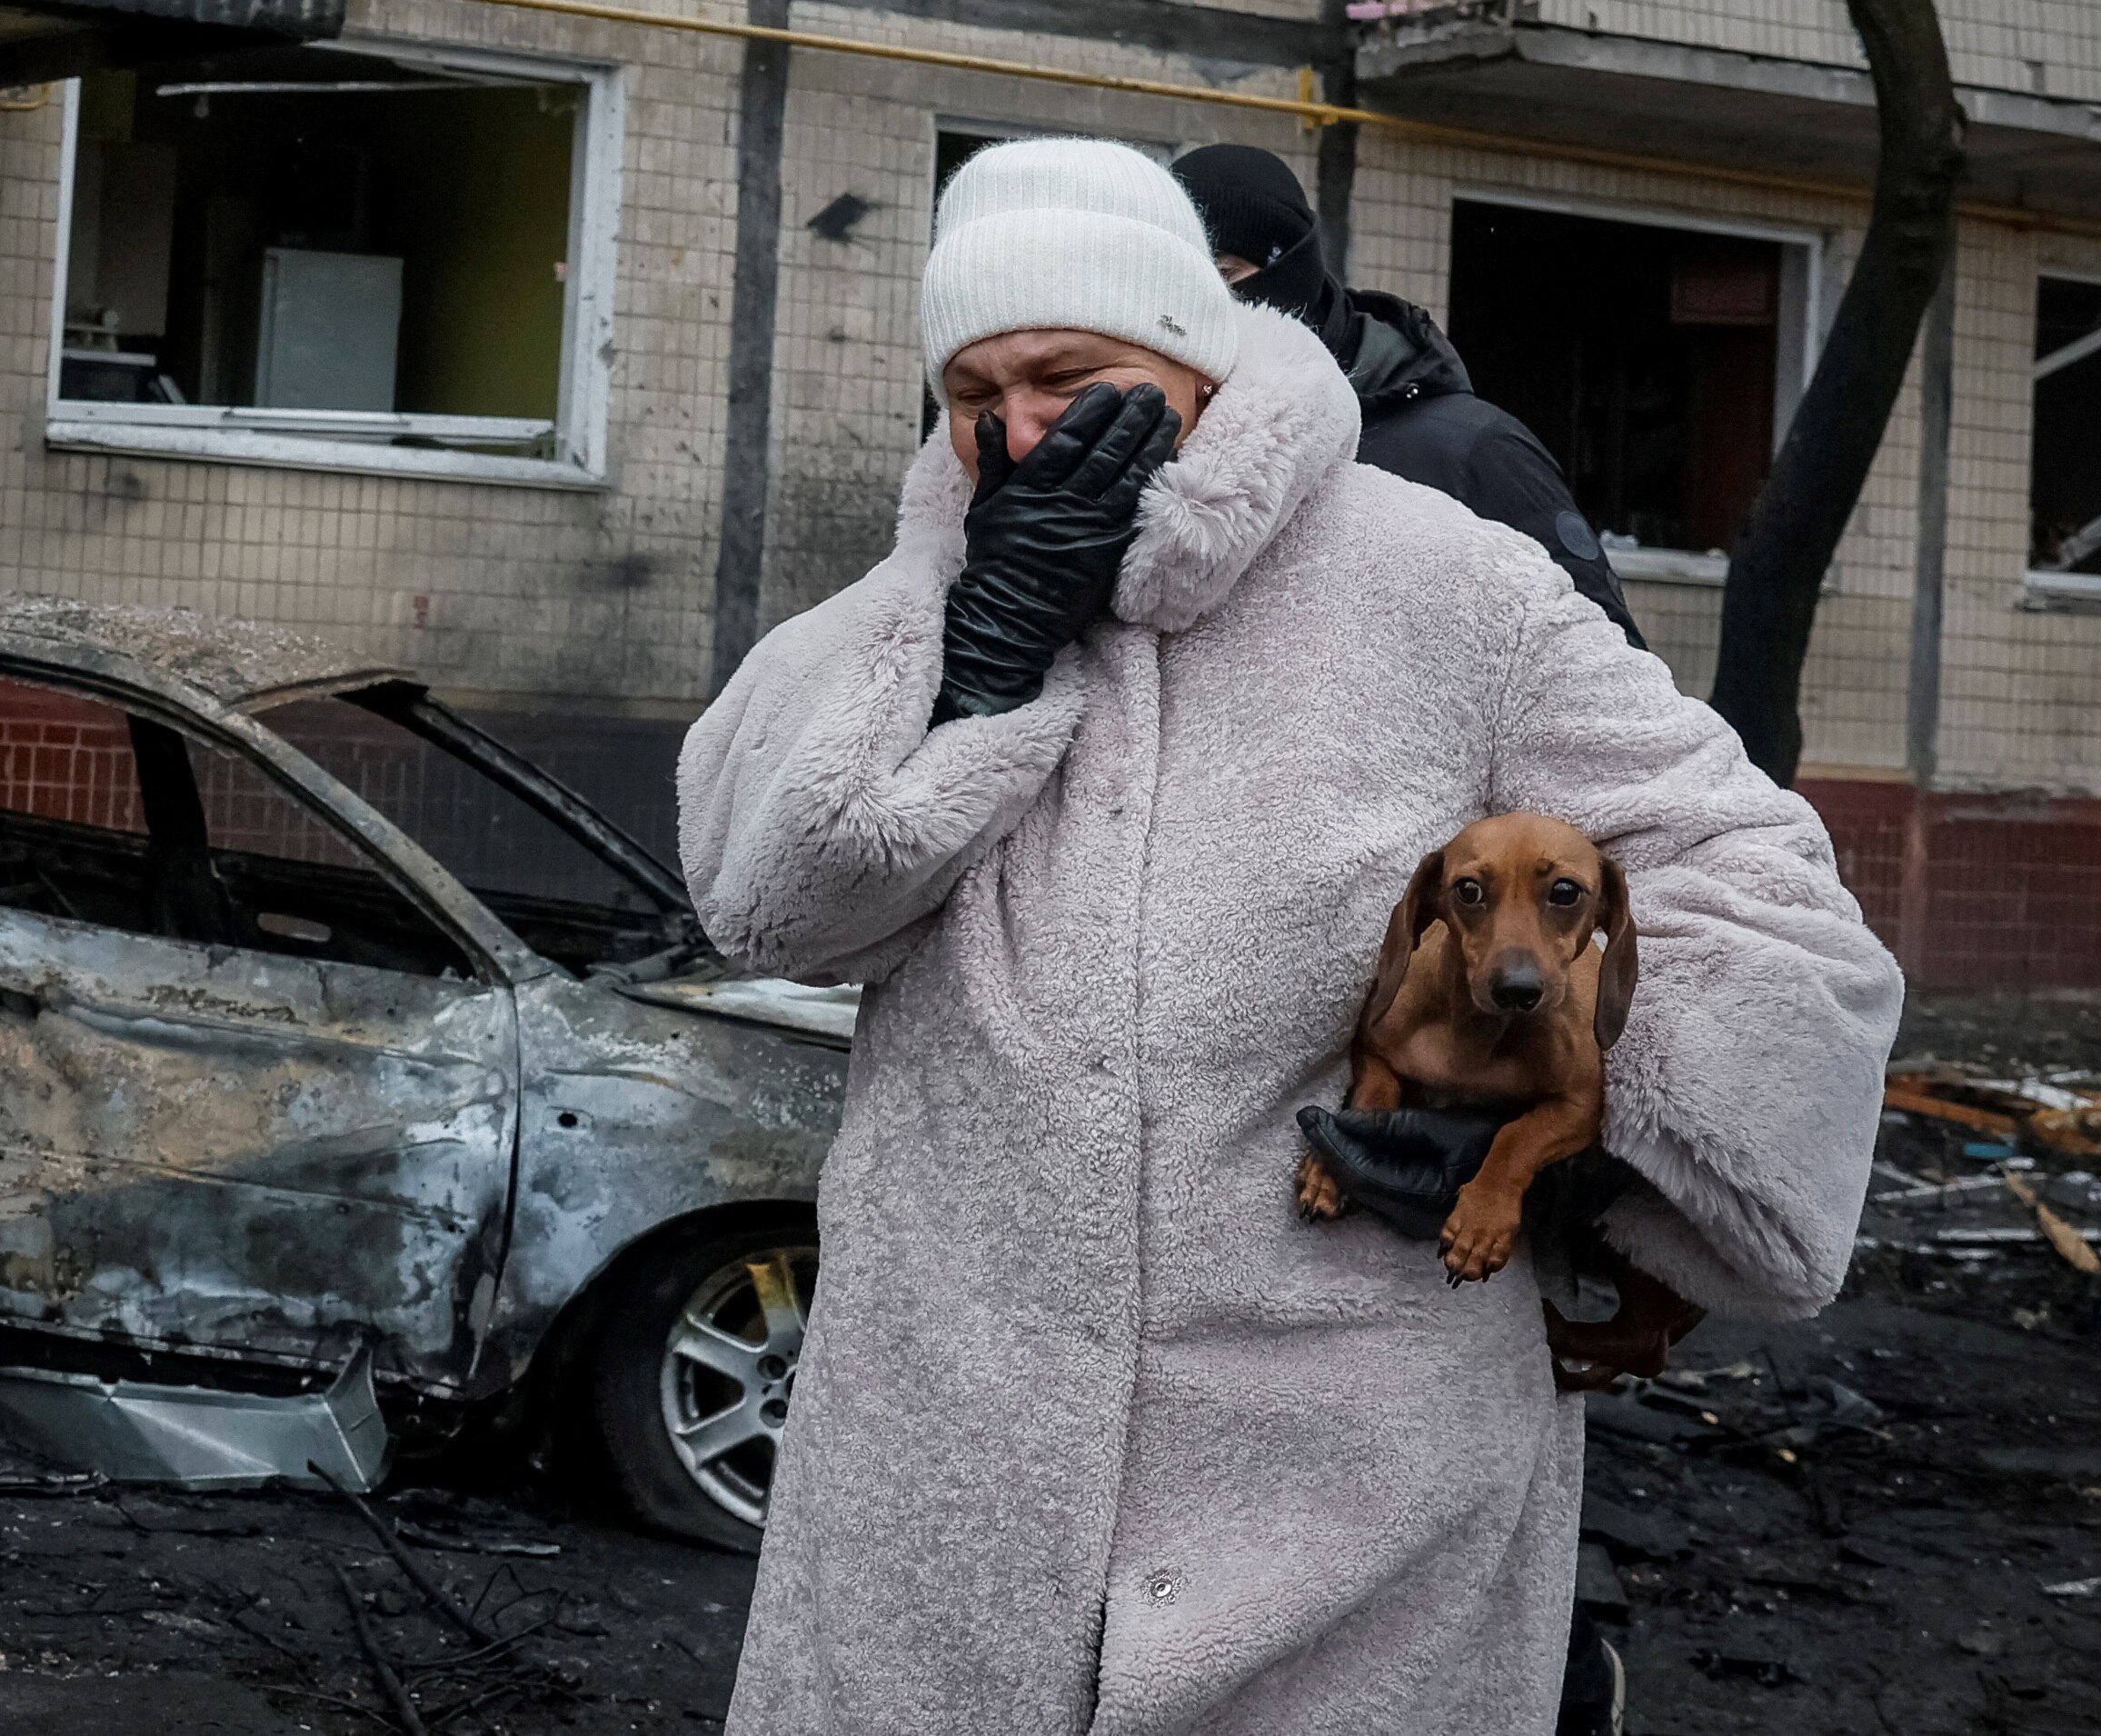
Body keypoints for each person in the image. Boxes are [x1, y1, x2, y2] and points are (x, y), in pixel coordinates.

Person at [680, 140, 1898, 1736]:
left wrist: (1581, 1144)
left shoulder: (1450, 590)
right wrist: (979, 662)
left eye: (1066, 370)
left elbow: (1761, 888)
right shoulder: (909, 608)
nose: (1018, 428)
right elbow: (769, 904)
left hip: (1351, 1494)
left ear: (1190, 356)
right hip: (948, 1480)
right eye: (973, 391)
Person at [1171, 147, 1654, 1729]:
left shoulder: (1461, 456)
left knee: (1474, 1458)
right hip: (1289, 1077)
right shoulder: (1160, 455)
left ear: (1279, 273)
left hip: (1485, 1021)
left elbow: (1609, 752)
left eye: (1226, 287)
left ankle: (1556, 1675)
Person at [1169, 144, 1642, 644]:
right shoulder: (1166, 441)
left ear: (1293, 269)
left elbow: (1605, 667)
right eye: (1177, 283)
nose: (1203, 307)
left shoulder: (1472, 450)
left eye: (1223, 277)